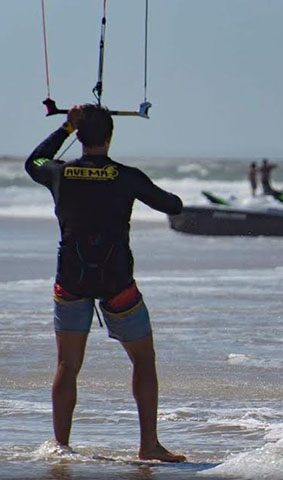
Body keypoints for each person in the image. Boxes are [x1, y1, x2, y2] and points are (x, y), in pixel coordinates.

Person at [25, 104, 186, 462]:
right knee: (143, 362)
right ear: (110, 137)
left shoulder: (59, 173)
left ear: (80, 136)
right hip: (117, 283)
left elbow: (34, 162)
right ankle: (149, 446)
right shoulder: (126, 176)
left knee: (68, 365)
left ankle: (62, 447)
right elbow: (172, 206)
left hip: (70, 281)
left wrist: (65, 127)